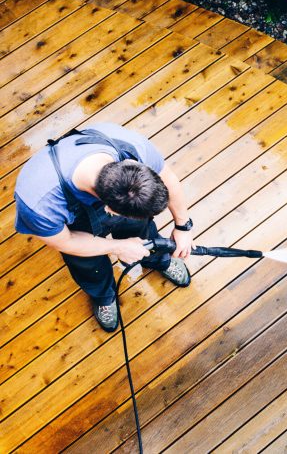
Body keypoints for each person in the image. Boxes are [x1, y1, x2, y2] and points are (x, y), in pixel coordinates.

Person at [14, 123, 195, 332]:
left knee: (142, 229)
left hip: (113, 204)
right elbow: (67, 242)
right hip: (74, 229)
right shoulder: (38, 203)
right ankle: (103, 295)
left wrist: (183, 226)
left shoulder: (132, 147)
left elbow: (168, 179)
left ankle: (157, 259)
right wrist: (117, 247)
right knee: (87, 263)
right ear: (110, 209)